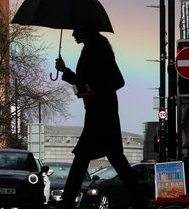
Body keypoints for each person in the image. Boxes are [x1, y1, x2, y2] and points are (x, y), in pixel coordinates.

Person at [55, 28, 149, 209]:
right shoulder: (91, 49)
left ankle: (67, 201)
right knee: (114, 159)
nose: (73, 34)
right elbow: (84, 81)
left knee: (83, 157)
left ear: (86, 29)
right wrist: (65, 70)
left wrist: (95, 90)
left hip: (102, 115)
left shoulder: (98, 50)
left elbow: (117, 81)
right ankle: (140, 201)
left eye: (76, 29)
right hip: (99, 113)